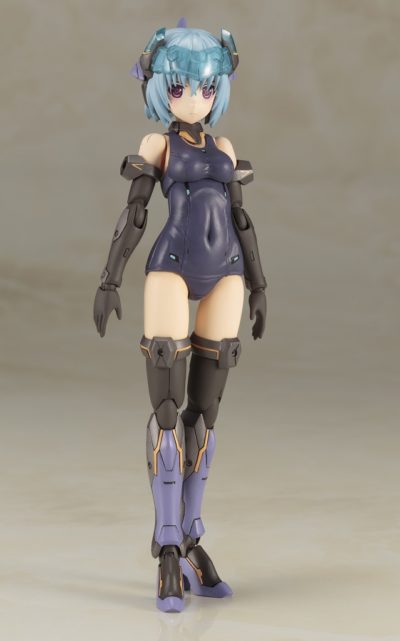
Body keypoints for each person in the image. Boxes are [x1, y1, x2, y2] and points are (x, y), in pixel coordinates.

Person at [93, 21, 267, 613]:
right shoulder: (157, 145)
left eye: (207, 86)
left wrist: (260, 285)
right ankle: (167, 546)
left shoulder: (224, 149)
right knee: (168, 413)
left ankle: (192, 538)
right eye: (180, 87)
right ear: (159, 86)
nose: (195, 97)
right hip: (170, 267)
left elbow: (242, 222)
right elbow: (135, 214)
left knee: (205, 417)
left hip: (228, 274)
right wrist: (109, 278)